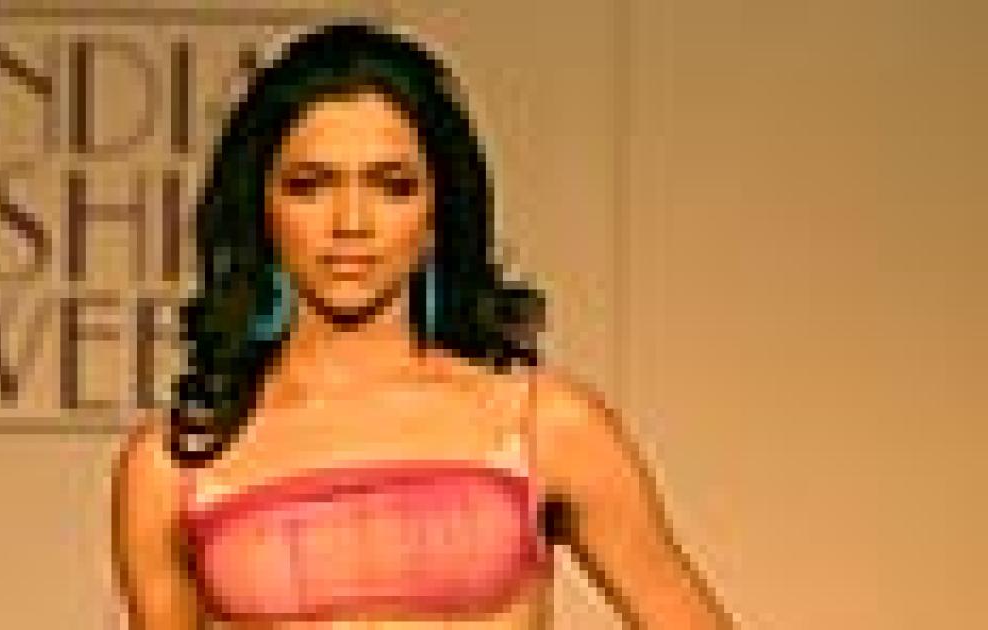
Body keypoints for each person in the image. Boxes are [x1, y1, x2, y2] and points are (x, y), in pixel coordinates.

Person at [111, 20, 731, 629]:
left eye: (392, 186)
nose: (351, 222)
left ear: (438, 208)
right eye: (310, 185)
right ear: (260, 208)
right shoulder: (175, 465)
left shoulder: (545, 425)